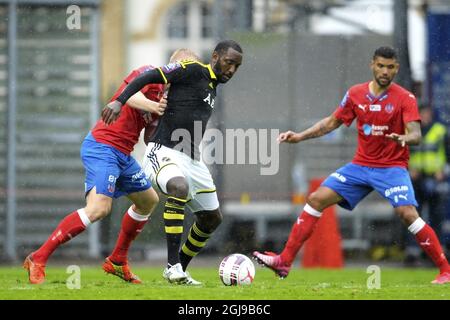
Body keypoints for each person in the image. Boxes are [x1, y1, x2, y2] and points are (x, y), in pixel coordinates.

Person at [253, 46, 450, 284]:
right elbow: (331, 122)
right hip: (360, 166)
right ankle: (284, 261)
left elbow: (416, 134)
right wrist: (299, 136)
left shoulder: (405, 98)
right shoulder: (355, 94)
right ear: (372, 65)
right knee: (316, 198)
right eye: (381, 66)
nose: (385, 71)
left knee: (407, 213)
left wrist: (404, 138)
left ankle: (445, 270)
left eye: (390, 67)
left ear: (396, 68)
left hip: (391, 168)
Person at [23, 49, 193, 285]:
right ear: (174, 68)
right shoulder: (147, 74)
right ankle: (38, 258)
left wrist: (163, 125)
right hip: (102, 146)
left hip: (122, 154)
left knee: (148, 200)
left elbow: (147, 137)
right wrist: (156, 108)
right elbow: (127, 94)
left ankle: (117, 260)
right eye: (186, 70)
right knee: (98, 209)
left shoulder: (169, 98)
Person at [102, 40, 243, 285]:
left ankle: (180, 270)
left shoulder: (211, 85)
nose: (231, 70)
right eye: (229, 62)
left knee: (212, 218)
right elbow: (150, 76)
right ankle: (172, 266)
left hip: (191, 159)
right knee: (179, 187)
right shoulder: (193, 69)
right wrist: (120, 100)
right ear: (215, 56)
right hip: (163, 151)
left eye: (236, 66)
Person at [405, 105, 450, 263]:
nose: (424, 116)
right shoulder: (410, 131)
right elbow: (403, 153)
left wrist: (442, 171)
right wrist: (409, 169)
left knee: (436, 215)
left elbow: (447, 153)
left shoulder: (440, 130)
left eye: (426, 113)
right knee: (413, 216)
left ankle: (438, 251)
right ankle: (413, 251)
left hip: (434, 178)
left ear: (431, 114)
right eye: (421, 113)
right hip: (415, 179)